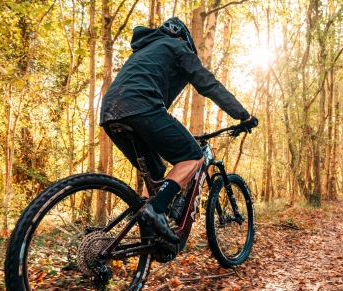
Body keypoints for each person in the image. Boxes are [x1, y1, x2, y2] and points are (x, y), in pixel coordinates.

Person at [99, 17, 258, 245]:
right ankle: (155, 211)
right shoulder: (179, 46)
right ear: (184, 38)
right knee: (193, 156)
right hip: (142, 106)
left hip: (109, 112)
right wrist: (243, 115)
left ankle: (138, 235)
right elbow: (209, 84)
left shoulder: (144, 51)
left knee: (156, 175)